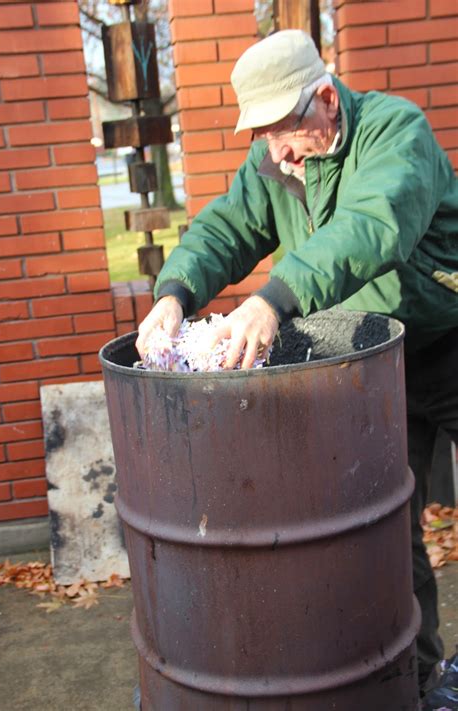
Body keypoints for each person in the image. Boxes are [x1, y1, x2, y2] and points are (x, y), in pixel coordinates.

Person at [136, 30, 458, 698]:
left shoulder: (398, 131)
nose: (277, 150)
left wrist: (273, 300)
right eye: (262, 133)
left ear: (326, 97)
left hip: (450, 340)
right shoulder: (274, 159)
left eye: (284, 128)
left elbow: (372, 226)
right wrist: (174, 295)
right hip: (376, 365)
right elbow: (225, 228)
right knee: (385, 530)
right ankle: (424, 675)